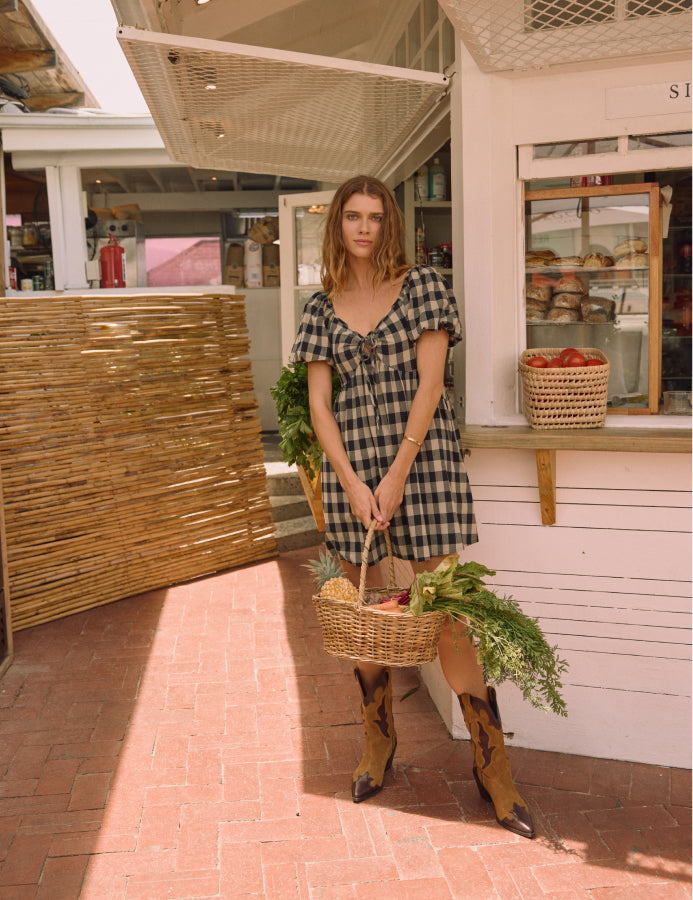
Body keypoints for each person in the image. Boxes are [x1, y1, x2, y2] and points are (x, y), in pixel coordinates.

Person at [289, 174, 534, 840]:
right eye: (352, 217)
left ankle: (493, 767)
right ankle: (377, 742)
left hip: (420, 471)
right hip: (353, 484)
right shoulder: (319, 309)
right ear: (337, 226)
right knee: (365, 618)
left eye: (374, 217)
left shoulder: (423, 287)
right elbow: (318, 405)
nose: (364, 228)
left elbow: (430, 385)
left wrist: (395, 473)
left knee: (447, 621)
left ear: (388, 225)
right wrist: (346, 480)